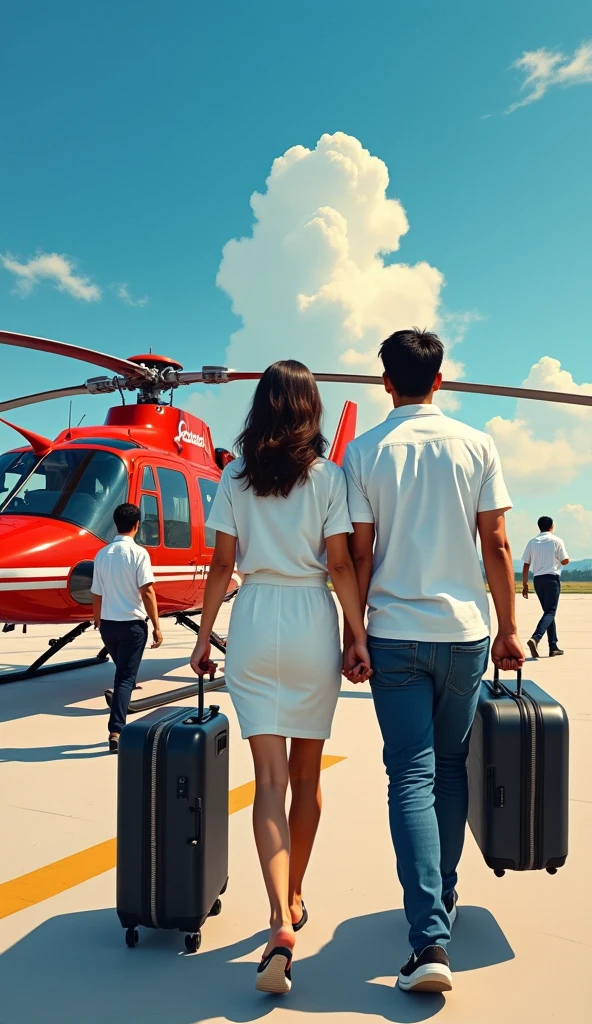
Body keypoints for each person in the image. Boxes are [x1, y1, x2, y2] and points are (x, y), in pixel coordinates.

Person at [342, 328, 525, 994]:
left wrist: (353, 632)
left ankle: (428, 940)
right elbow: (498, 543)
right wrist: (508, 627)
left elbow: (360, 553)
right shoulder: (478, 445)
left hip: (392, 634)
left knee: (410, 777)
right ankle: (439, 906)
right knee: (449, 769)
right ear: (439, 380)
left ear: (383, 381)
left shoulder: (363, 453)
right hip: (464, 634)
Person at [189, 360, 371, 995]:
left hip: (255, 617)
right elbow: (342, 564)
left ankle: (276, 919)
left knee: (266, 780)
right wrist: (357, 635)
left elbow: (220, 565)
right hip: (309, 621)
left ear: (261, 407)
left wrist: (205, 639)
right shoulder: (328, 476)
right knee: (305, 777)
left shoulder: (234, 475)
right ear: (309, 409)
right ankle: (294, 894)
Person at [91, 503, 163, 752]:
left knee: (122, 672)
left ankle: (120, 710)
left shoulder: (102, 554)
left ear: (115, 524)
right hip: (132, 626)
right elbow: (148, 591)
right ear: (137, 525)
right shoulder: (139, 554)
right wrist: (156, 625)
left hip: (108, 626)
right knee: (124, 679)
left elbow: (96, 593)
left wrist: (97, 620)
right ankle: (116, 729)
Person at [521, 516, 569, 658]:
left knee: (548, 612)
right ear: (551, 526)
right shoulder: (557, 541)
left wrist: (524, 584)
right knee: (550, 612)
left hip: (537, 580)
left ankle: (553, 646)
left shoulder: (532, 542)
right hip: (551, 579)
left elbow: (525, 564)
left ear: (539, 526)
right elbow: (565, 560)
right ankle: (536, 637)